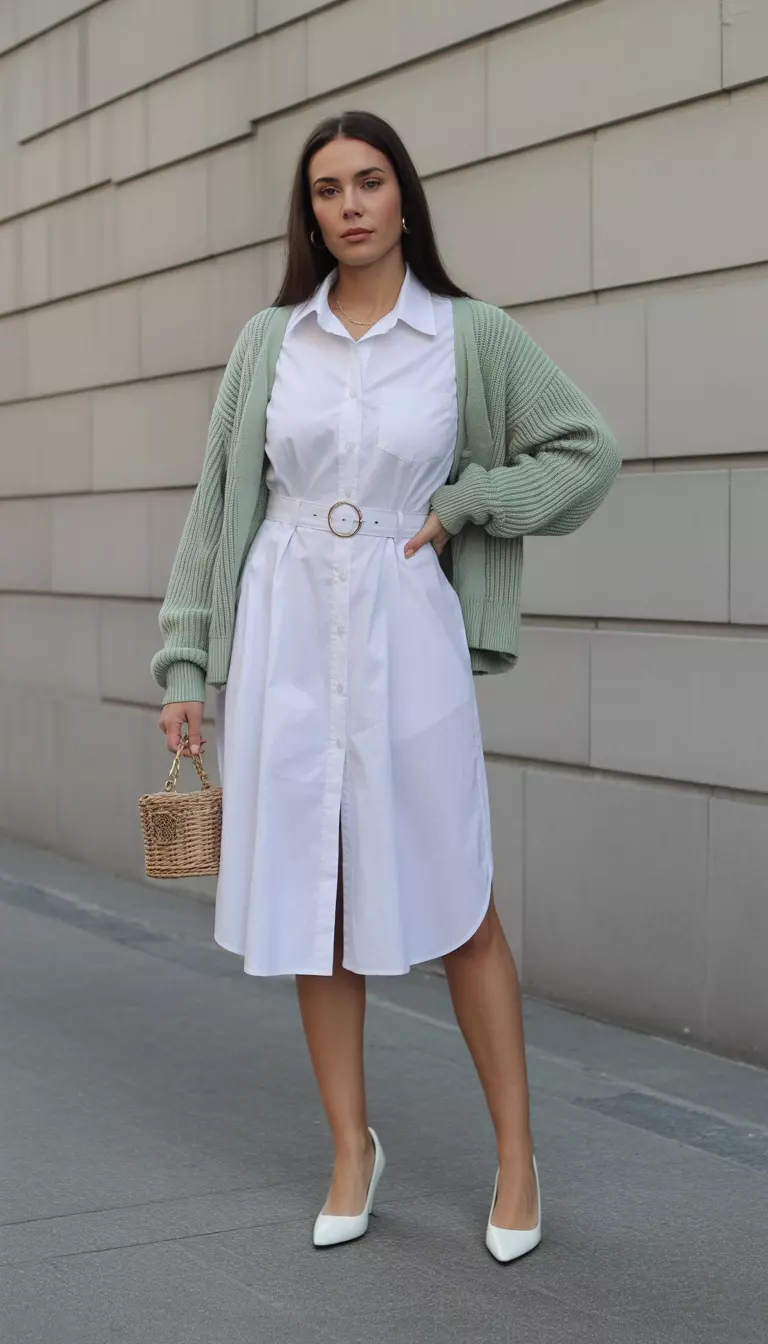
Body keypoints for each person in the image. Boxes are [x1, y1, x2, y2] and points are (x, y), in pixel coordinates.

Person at [151, 110, 620, 1262]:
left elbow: (584, 451)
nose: (350, 205)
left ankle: (516, 1157)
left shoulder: (469, 335)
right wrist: (184, 660)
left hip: (406, 625)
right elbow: (219, 504)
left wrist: (468, 506)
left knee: (456, 891)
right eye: (326, 189)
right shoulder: (271, 342)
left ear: (405, 198)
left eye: (369, 183)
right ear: (308, 212)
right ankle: (350, 1147)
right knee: (323, 905)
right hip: (285, 626)